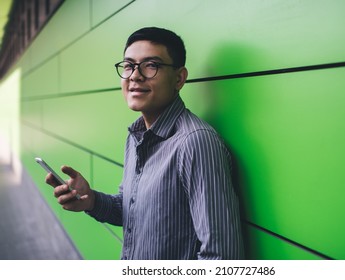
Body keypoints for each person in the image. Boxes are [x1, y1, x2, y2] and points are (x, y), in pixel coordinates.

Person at [45, 27, 244, 260]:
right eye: (128, 66)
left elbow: (221, 257)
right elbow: (129, 211)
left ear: (179, 78)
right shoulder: (136, 134)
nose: (135, 76)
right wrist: (90, 200)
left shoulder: (195, 142)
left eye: (151, 65)